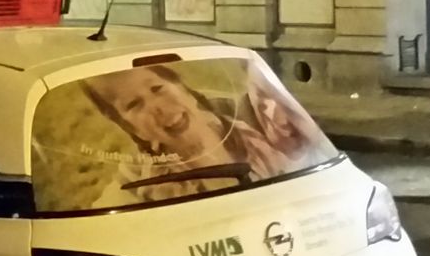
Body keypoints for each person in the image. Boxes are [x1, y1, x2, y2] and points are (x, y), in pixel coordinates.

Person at [82, 64, 328, 201]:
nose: (159, 108)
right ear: (131, 128)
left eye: (157, 88)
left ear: (183, 88)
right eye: (134, 105)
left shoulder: (252, 134)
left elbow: (310, 181)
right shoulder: (139, 186)